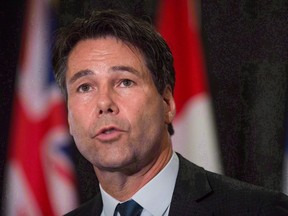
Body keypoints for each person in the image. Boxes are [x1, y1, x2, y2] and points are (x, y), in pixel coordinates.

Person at [52, 10, 288, 216]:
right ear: (70, 118)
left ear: (167, 103)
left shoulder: (258, 210)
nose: (104, 102)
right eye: (84, 87)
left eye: (124, 82)